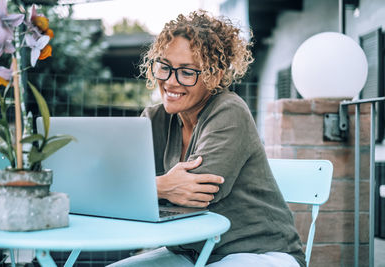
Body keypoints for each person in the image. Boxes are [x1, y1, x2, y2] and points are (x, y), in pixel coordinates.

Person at [109, 10, 305, 267]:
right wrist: (163, 186)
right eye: (164, 66)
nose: (170, 81)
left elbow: (198, 194)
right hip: (193, 253)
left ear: (215, 76)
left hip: (260, 252)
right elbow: (113, 184)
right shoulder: (154, 119)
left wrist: (145, 187)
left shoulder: (229, 111)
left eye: (187, 72)